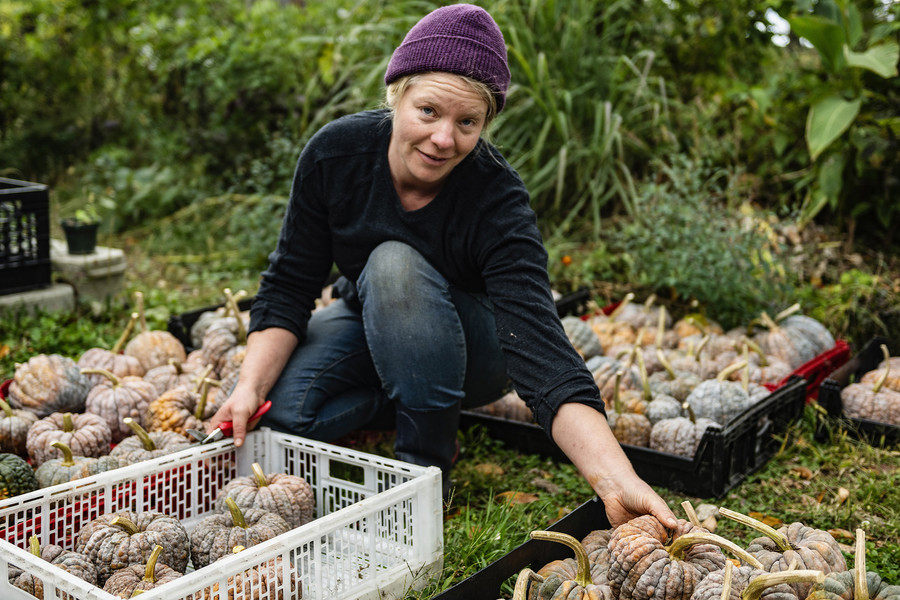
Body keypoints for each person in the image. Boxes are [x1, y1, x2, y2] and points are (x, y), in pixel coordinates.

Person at [206, 3, 676, 529]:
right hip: (372, 317)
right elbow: (290, 283)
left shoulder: (497, 199)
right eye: (428, 111)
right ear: (397, 95)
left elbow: (541, 347)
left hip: (475, 349)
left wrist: (616, 478)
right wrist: (248, 387)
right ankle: (409, 399)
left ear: (485, 123)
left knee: (393, 265)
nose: (444, 139)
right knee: (290, 416)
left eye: (467, 122)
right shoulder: (334, 157)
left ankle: (427, 462)